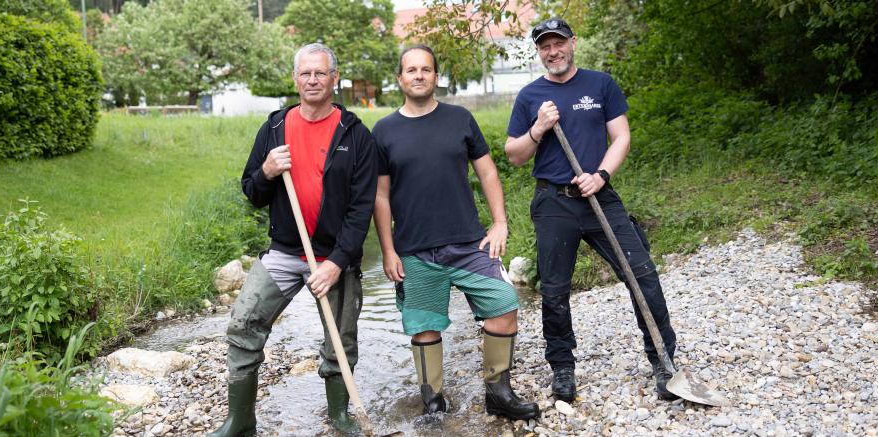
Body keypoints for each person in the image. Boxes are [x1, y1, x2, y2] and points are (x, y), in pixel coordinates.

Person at [504, 18, 680, 403]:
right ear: (539, 52)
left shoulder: (601, 84)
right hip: (553, 201)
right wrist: (539, 128)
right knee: (553, 290)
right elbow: (513, 155)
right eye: (545, 46)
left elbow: (621, 137)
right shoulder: (531, 96)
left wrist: (600, 175)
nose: (553, 51)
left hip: (600, 196)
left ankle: (663, 361)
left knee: (641, 274)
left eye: (559, 43)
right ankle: (562, 368)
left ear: (573, 43)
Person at [209, 43, 378, 437]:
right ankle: (240, 421)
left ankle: (340, 416)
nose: (313, 80)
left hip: (333, 257)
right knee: (243, 325)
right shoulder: (274, 129)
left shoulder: (355, 135)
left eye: (321, 73)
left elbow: (361, 210)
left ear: (335, 79)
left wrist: (337, 263)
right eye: (306, 73)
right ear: (295, 79)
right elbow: (252, 193)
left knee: (341, 342)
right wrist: (267, 170)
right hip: (285, 252)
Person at [372, 45, 540, 420]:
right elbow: (380, 197)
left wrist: (500, 223)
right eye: (411, 69)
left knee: (504, 304)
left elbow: (489, 173)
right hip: (415, 251)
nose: (419, 75)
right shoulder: (383, 130)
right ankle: (433, 401)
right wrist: (387, 250)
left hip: (468, 243)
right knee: (425, 327)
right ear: (400, 78)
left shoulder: (460, 119)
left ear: (436, 77)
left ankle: (498, 393)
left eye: (426, 69)